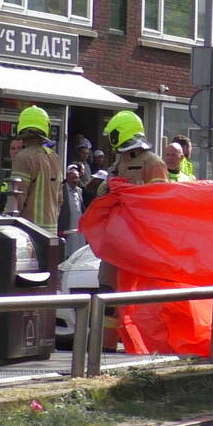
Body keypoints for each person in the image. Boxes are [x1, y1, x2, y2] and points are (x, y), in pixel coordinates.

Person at [99, 110, 168, 296]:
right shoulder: (118, 164)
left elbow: (160, 203)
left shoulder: (153, 163)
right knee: (108, 288)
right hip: (117, 239)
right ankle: (109, 324)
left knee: (144, 294)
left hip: (142, 241)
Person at [10, 105, 63, 235]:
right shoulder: (54, 157)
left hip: (28, 231)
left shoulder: (23, 157)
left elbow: (17, 197)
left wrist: (8, 224)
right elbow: (60, 198)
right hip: (51, 230)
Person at [58, 164, 86, 257]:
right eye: (73, 177)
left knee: (78, 249)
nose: (75, 180)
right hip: (66, 226)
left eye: (77, 178)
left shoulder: (79, 190)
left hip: (78, 226)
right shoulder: (61, 189)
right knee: (67, 250)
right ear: (68, 178)